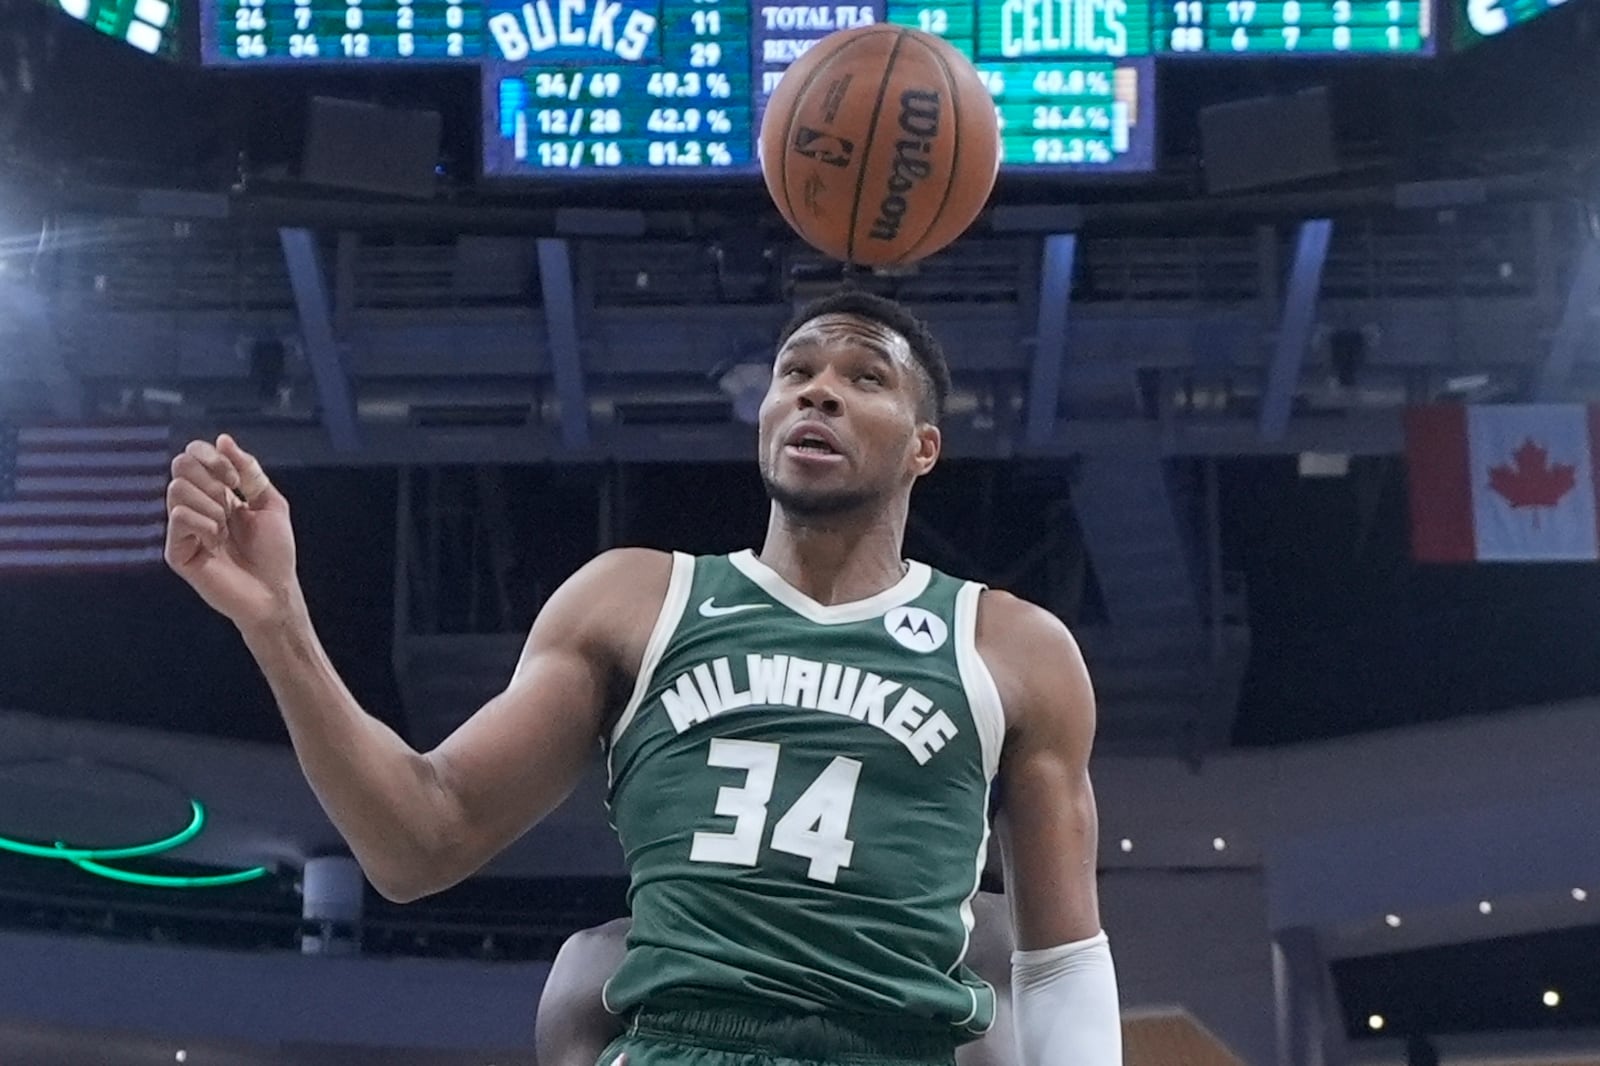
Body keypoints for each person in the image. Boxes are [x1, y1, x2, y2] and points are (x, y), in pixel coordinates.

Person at [163, 289, 1121, 1066]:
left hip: (891, 1044)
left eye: (864, 378)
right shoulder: (637, 599)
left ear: (923, 446)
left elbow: (1060, 966)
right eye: (797, 372)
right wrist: (279, 618)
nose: (817, 393)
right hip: (681, 1044)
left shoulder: (1011, 644)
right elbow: (420, 837)